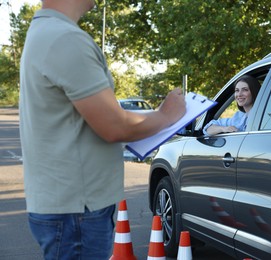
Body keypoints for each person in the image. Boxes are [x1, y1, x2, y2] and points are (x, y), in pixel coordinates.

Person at [18, 0, 186, 259]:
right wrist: (166, 115)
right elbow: (114, 126)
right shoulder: (65, 39)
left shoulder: (44, 32)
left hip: (67, 205)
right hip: (78, 210)